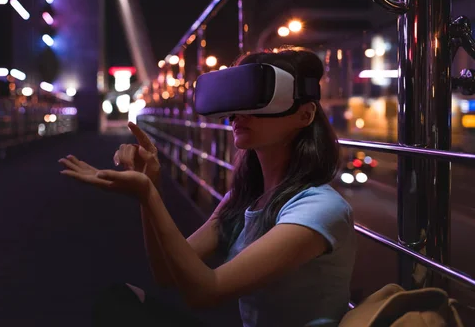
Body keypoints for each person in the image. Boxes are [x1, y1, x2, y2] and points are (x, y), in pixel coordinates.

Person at [59, 49, 356, 327]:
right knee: (120, 300)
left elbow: (205, 292)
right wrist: (151, 188)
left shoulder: (319, 209)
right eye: (238, 99)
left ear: (304, 115)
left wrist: (148, 196)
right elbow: (165, 272)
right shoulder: (244, 199)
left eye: (258, 98)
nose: (240, 113)